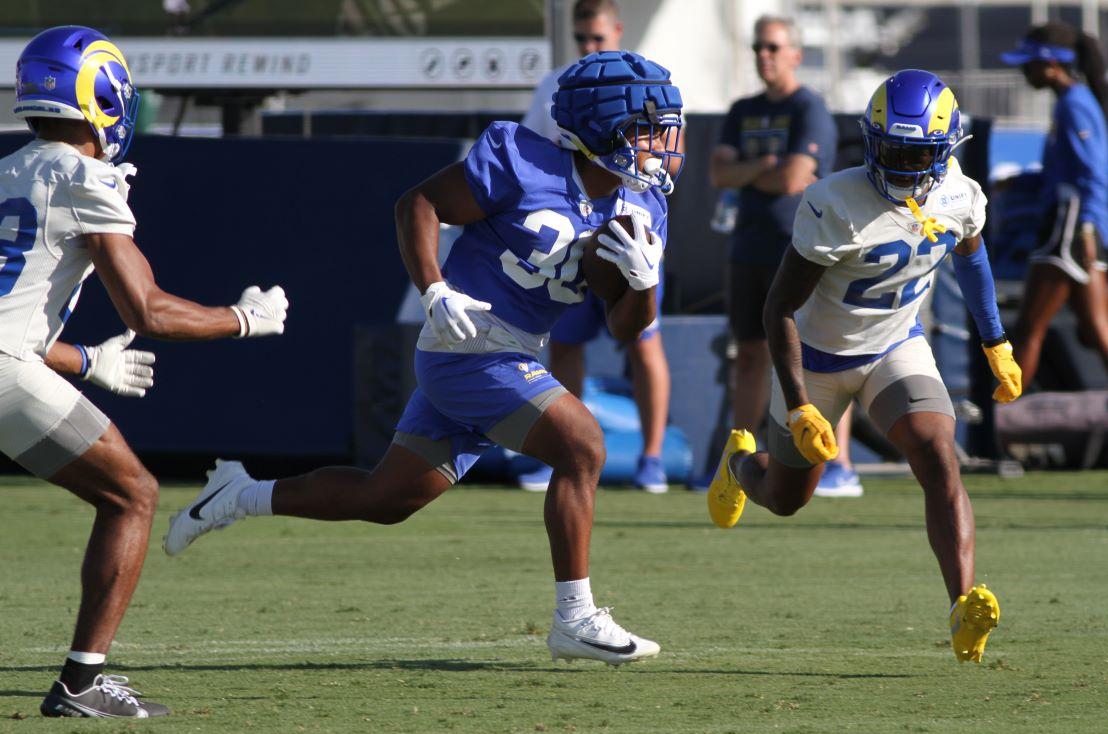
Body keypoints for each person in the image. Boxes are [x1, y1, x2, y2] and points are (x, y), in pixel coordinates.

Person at [165, 51, 684, 667]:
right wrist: (433, 287)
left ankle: (237, 494)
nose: (661, 144)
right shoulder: (524, 160)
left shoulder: (643, 208)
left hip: (517, 355)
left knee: (384, 500)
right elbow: (417, 205)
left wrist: (644, 282)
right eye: (647, 128)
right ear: (600, 126)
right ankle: (574, 618)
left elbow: (628, 327)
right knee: (583, 444)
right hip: (466, 344)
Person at [1, 26, 289, 718]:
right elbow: (150, 310)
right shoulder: (83, 176)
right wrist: (242, 320)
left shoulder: (8, 169)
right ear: (105, 98)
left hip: (13, 363)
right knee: (132, 494)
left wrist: (87, 360)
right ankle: (81, 684)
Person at [706, 70, 1023, 663]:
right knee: (786, 497)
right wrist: (800, 403)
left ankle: (961, 606)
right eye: (892, 149)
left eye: (916, 152)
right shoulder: (834, 203)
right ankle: (741, 464)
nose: (902, 165)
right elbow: (778, 309)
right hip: (816, 359)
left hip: (892, 346)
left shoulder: (960, 193)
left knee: (936, 452)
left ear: (945, 150)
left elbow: (973, 260)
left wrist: (996, 341)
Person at [521, 0, 674, 493]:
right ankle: (559, 449)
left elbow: (671, 158)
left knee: (644, 340)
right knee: (564, 343)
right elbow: (533, 154)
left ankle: (652, 459)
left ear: (618, 32)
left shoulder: (647, 82)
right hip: (570, 228)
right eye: (582, 38)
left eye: (598, 38)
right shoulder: (557, 84)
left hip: (629, 222)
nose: (589, 47)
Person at [709, 15, 858, 498]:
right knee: (749, 356)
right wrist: (765, 166)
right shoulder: (741, 109)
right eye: (757, 48)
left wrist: (750, 171)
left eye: (773, 47)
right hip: (748, 248)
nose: (764, 56)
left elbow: (794, 179)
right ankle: (737, 459)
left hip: (802, 250)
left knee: (821, 356)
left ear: (795, 53)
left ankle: (838, 463)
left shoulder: (808, 108)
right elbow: (718, 173)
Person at [1002, 22, 1108, 392]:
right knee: (1099, 330)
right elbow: (1061, 172)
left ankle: (999, 425)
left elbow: (1093, 172)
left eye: (1028, 63)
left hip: (1071, 228)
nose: (1023, 71)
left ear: (1051, 65)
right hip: (1080, 227)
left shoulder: (1074, 105)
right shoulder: (1072, 103)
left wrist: (1087, 228)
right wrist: (1017, 182)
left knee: (1028, 329)